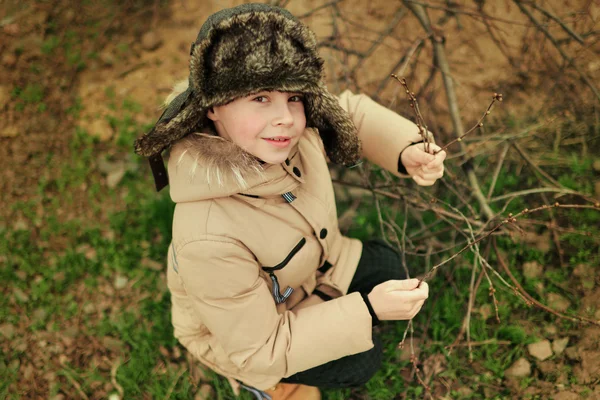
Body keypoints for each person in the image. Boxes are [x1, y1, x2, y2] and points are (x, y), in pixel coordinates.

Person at [133, 3, 446, 399]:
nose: (285, 117)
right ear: (213, 106)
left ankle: (328, 310)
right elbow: (259, 348)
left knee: (390, 267)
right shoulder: (207, 238)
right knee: (361, 361)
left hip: (315, 274)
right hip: (252, 338)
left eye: (294, 97)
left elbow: (349, 112)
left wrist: (407, 148)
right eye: (260, 98)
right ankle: (276, 387)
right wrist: (366, 310)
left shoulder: (285, 136)